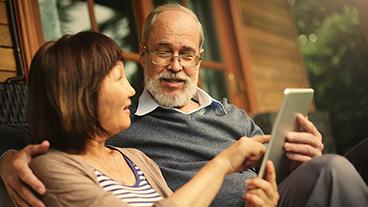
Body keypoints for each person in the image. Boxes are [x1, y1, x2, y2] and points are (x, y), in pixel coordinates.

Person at [0, 3, 367, 207]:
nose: (176, 65)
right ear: (142, 55)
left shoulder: (231, 116)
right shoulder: (122, 124)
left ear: (200, 59)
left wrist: (304, 155)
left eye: (187, 54)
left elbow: (277, 170)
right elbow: (46, 136)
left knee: (337, 164)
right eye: (164, 51)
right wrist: (8, 159)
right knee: (335, 170)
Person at [3, 31, 278, 207]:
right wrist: (223, 163)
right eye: (120, 78)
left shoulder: (136, 159)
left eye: (187, 54)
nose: (132, 90)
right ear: (81, 94)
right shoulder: (51, 169)